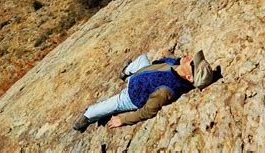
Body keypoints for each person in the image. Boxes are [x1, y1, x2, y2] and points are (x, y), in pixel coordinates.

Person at [73, 50, 214, 132]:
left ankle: (88, 116)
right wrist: (179, 59)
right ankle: (125, 72)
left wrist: (123, 119)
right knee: (143, 58)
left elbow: (147, 111)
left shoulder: (166, 90)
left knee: (108, 105)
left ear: (189, 77)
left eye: (192, 62)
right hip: (140, 74)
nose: (190, 57)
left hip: (132, 96)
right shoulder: (178, 66)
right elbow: (161, 62)